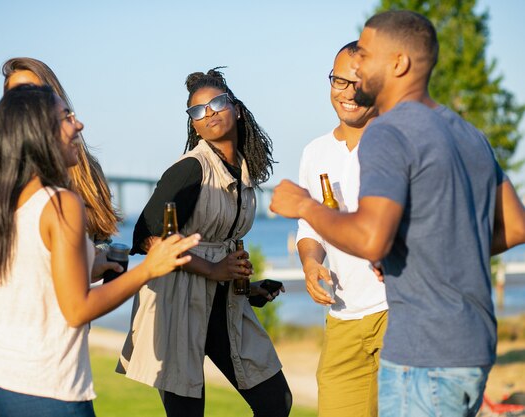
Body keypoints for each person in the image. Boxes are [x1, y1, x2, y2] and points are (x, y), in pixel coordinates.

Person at [270, 10, 525, 417]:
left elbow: (372, 238)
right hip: (470, 347)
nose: (359, 66)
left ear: (398, 64)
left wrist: (304, 206)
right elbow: (515, 225)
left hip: (422, 353)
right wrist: (415, 257)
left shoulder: (390, 133)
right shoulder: (467, 132)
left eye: (366, 55)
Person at [0, 84, 200, 417]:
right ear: (41, 132)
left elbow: (15, 284)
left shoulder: (1, 200)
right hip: (44, 389)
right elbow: (77, 310)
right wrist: (150, 267)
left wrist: (90, 266)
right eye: (67, 117)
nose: (79, 125)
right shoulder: (62, 201)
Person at [0, 57, 121, 417]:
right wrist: (1, 252)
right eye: (14, 94)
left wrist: (93, 263)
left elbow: (80, 241)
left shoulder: (79, 166)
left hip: (49, 335)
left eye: (33, 91)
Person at [117, 68, 292, 417]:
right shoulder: (190, 170)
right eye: (198, 110)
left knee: (276, 401)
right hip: (175, 304)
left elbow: (222, 245)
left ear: (237, 108)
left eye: (216, 103)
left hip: (224, 305)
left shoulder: (242, 171)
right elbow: (146, 237)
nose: (209, 112)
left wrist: (246, 288)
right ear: (193, 125)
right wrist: (212, 269)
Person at [295, 41, 386, 417]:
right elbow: (310, 227)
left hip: (397, 311)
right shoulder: (315, 152)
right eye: (339, 81)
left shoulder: (396, 144)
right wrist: (311, 264)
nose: (348, 94)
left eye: (358, 83)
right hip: (343, 317)